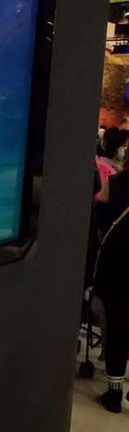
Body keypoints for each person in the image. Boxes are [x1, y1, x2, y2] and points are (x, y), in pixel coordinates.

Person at [94, 166, 129, 413]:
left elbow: (101, 226)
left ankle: (114, 393)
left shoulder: (114, 182)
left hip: (117, 264)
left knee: (117, 326)